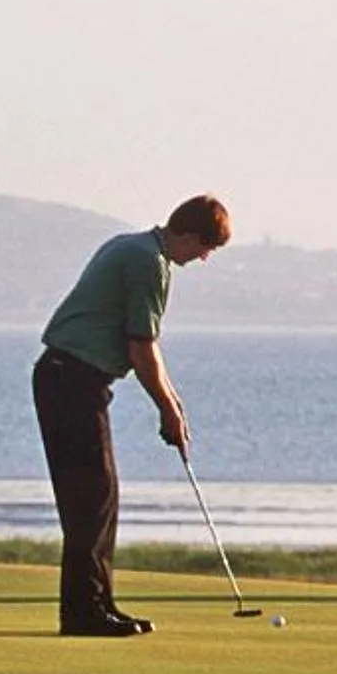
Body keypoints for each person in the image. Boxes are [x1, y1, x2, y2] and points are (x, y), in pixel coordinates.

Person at [33, 194, 231, 636]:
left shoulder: (133, 246)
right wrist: (168, 411)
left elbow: (145, 348)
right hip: (71, 380)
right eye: (204, 247)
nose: (202, 258)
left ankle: (97, 604)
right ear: (185, 234)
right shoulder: (149, 262)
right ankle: (83, 614)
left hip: (70, 379)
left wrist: (173, 404)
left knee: (99, 499)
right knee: (91, 499)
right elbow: (140, 347)